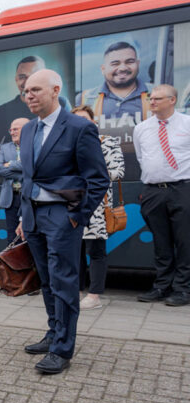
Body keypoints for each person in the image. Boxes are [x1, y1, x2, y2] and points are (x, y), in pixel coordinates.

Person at [16, 70, 109, 375]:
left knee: (64, 282)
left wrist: (77, 217)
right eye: (26, 91)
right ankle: (54, 332)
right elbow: (28, 177)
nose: (29, 95)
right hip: (33, 217)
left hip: (62, 216)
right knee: (46, 280)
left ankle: (62, 349)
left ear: (55, 90)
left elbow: (98, 179)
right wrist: (23, 215)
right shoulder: (28, 130)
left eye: (35, 90)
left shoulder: (80, 128)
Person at [133, 84, 190, 306]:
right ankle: (162, 286)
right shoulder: (142, 128)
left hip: (182, 188)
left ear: (172, 100)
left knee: (185, 241)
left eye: (157, 98)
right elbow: (141, 157)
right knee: (161, 242)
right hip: (153, 191)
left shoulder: (187, 123)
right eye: (151, 98)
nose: (152, 102)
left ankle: (183, 289)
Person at [71, 105, 124, 310]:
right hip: (72, 202)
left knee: (96, 250)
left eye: (84, 118)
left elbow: (118, 171)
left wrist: (91, 174)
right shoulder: (68, 144)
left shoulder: (106, 142)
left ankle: (94, 296)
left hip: (96, 204)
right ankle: (75, 291)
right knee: (74, 251)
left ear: (93, 122)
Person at [76, 41, 150, 122]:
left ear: (138, 64)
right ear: (103, 69)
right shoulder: (83, 99)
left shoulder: (155, 93)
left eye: (129, 62)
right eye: (115, 64)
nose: (123, 68)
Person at [0, 117, 30, 245]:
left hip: (30, 196)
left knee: (31, 235)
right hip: (11, 198)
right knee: (13, 236)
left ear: (27, 129)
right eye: (11, 130)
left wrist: (9, 164)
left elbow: (32, 166)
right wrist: (22, 174)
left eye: (16, 129)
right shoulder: (5, 148)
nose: (12, 132)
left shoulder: (35, 145)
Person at [0, 56, 45, 144]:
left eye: (34, 76)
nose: (28, 82)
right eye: (22, 77)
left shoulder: (59, 104)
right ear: (16, 79)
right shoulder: (3, 110)